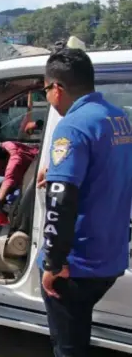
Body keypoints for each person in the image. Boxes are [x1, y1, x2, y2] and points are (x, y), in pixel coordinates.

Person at [37, 48, 132, 357]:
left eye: (46, 90)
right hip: (111, 255)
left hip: (77, 264)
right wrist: (58, 171)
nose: (48, 97)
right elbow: (109, 168)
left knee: (68, 348)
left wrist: (53, 263)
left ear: (58, 88)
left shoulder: (72, 127)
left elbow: (60, 202)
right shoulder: (119, 118)